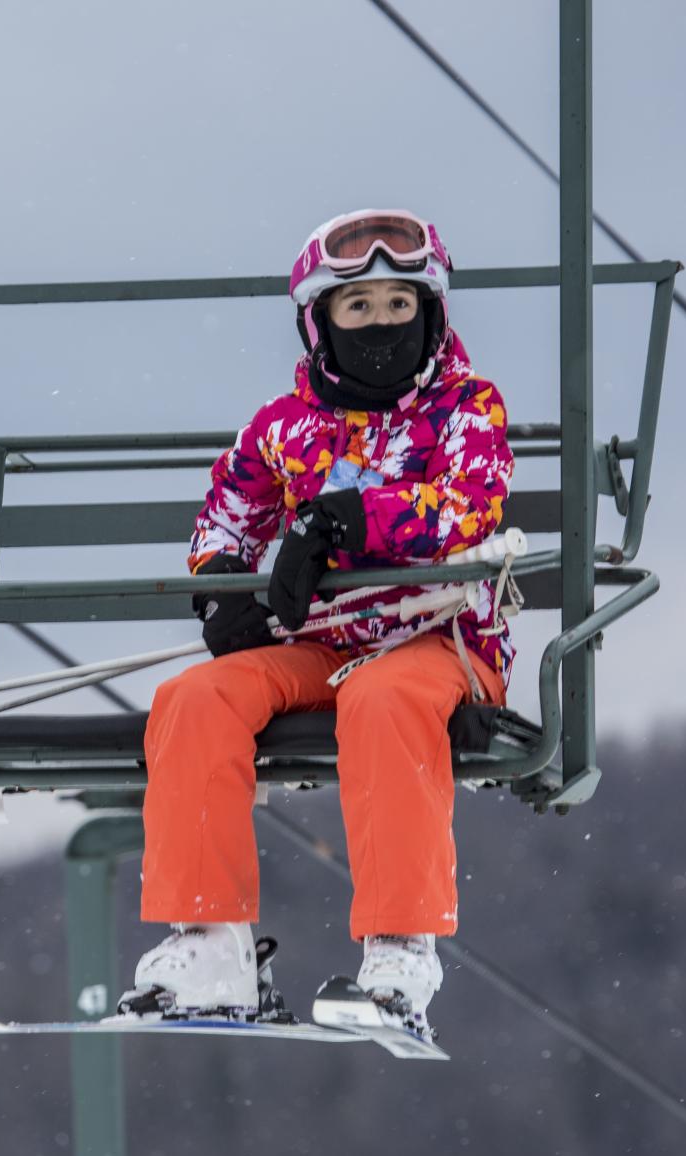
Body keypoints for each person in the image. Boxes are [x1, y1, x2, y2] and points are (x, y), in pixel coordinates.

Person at [121, 210, 515, 1039]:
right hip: (320, 646)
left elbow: (466, 508)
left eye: (398, 306)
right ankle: (211, 943)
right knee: (194, 699)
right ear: (321, 322)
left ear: (430, 313)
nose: (380, 327)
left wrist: (348, 518)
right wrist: (221, 583)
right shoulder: (284, 426)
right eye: (358, 308)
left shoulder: (467, 409)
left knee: (381, 699)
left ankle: (401, 949)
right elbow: (228, 511)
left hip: (438, 640)